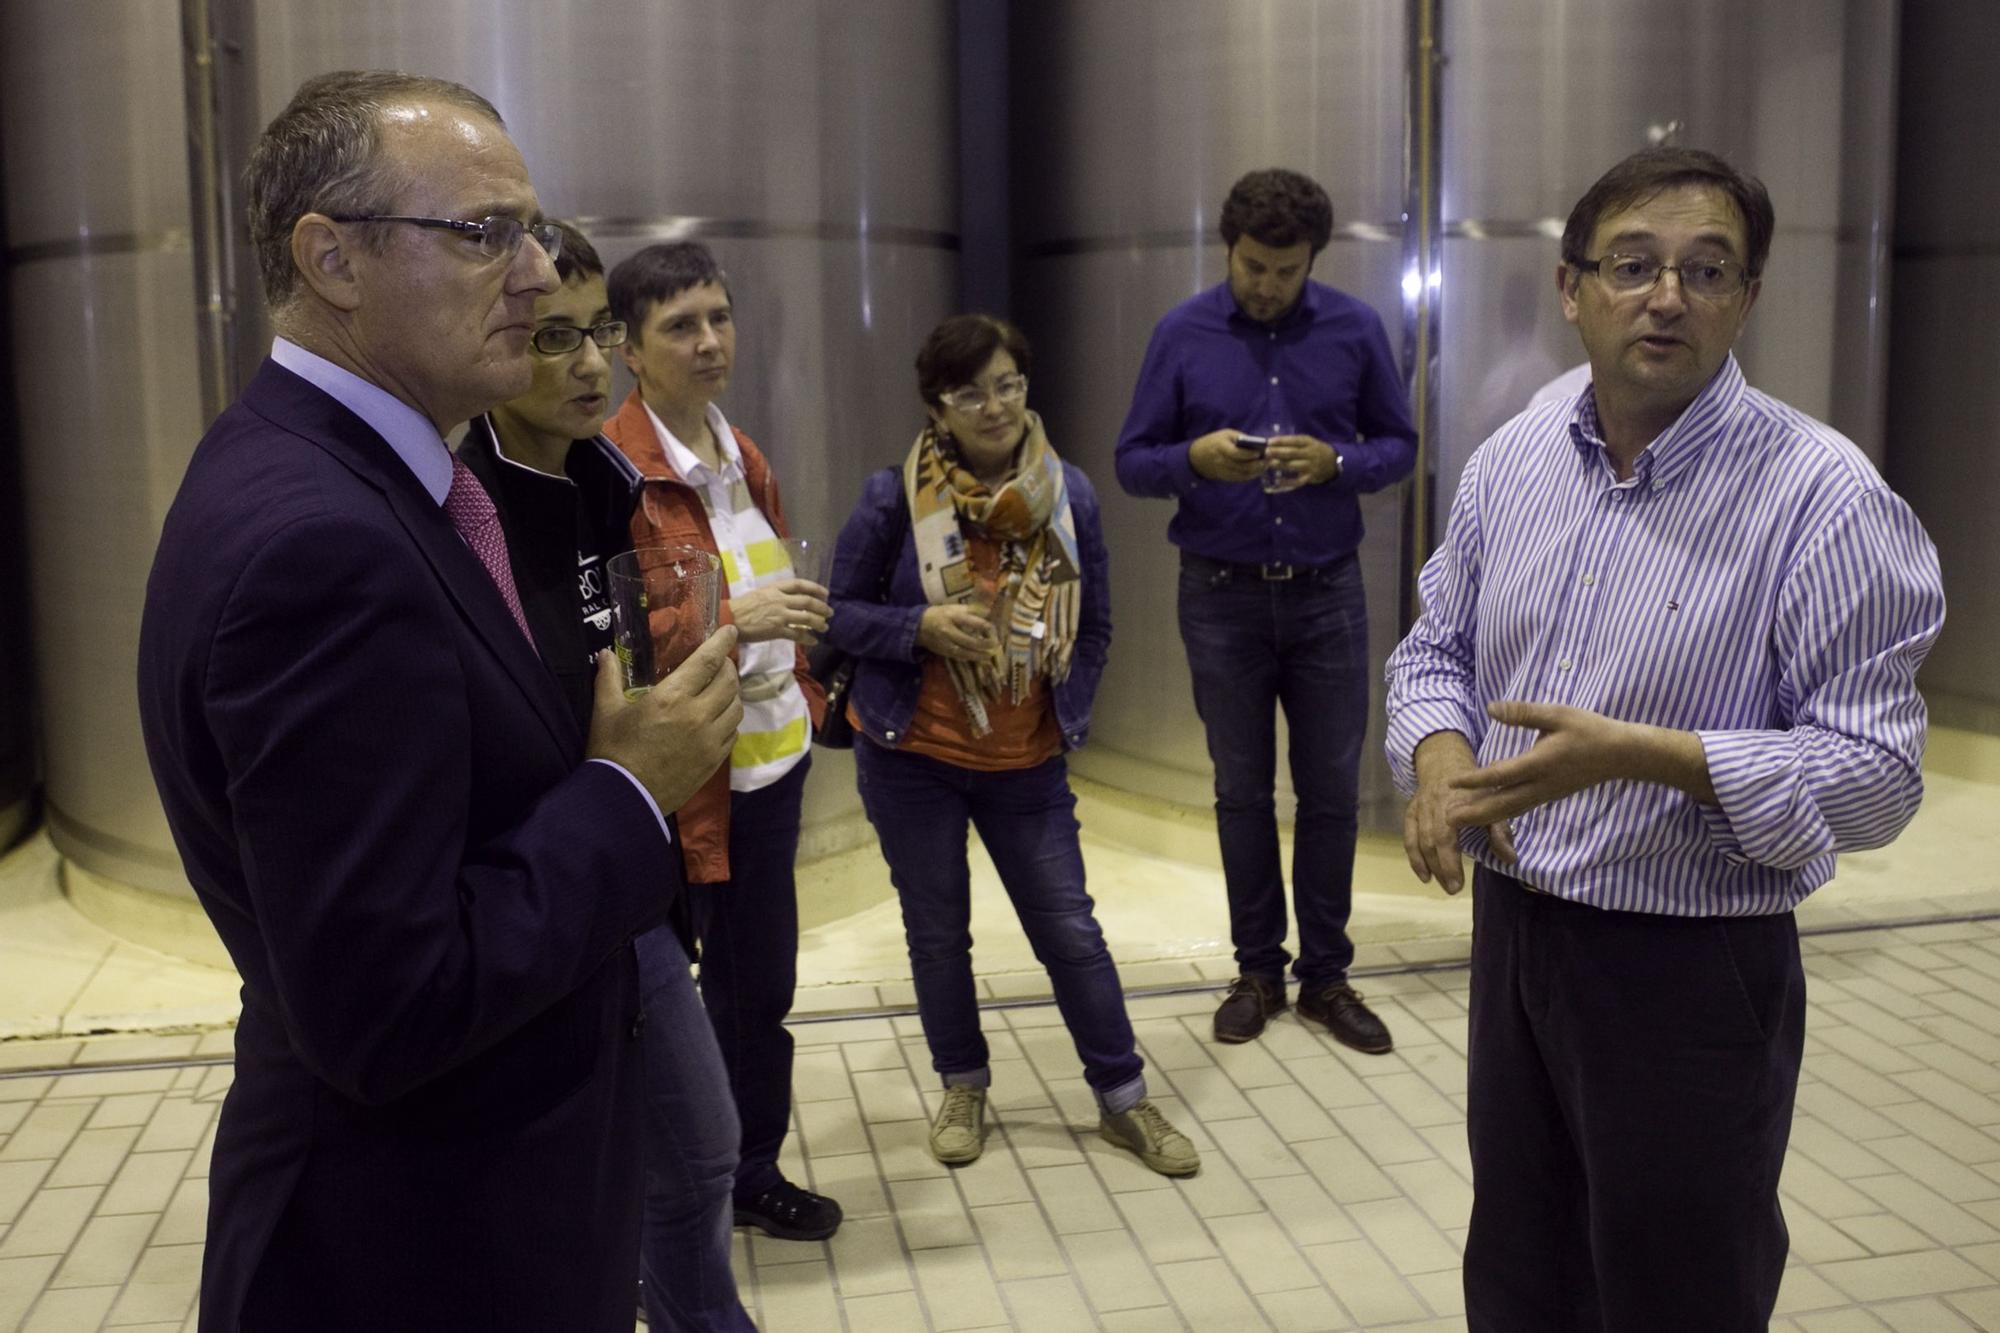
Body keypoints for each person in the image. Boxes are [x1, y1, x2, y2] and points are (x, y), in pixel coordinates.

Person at [135, 73, 741, 1333]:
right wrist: (629, 790)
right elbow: (389, 1004)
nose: (536, 272)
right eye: (481, 233)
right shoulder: (322, 546)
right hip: (418, 1253)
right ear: (331, 259)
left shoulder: (354, 470)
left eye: (530, 231)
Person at [1385, 147, 1946, 1331]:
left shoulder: (1821, 498)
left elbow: (1877, 776)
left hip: (1687, 968)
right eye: (1631, 264)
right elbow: (1437, 649)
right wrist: (1437, 761)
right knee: (1521, 1270)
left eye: (1706, 270)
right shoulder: (1517, 456)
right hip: (1517, 934)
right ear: (1570, 287)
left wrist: (1649, 756)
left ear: (1746, 298)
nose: (1665, 297)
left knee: (1676, 1289)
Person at [456, 221, 752, 1331]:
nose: (587, 365)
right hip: (532, 890)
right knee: (661, 1163)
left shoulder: (604, 483)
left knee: (696, 1152)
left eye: (596, 334)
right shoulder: (465, 510)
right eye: (552, 339)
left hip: (627, 871)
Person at [826, 313, 1199, 1177]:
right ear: (936, 406)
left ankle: (1123, 1098)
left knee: (1070, 931)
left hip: (1025, 761)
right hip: (912, 753)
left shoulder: (1071, 495)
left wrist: (1068, 711)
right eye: (970, 392)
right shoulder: (892, 496)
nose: (994, 406)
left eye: (1008, 384)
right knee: (936, 933)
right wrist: (919, 627)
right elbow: (835, 615)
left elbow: (1095, 626)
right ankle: (962, 1084)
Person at [1114, 167, 1417, 1051]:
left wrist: (1338, 463)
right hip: (1220, 594)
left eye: (1287, 270)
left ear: (1313, 258)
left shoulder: (1355, 329)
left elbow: (1399, 445)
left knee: (1330, 792)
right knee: (1240, 791)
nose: (1268, 285)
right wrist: (1193, 460)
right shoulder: (1182, 333)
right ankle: (1257, 970)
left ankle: (1326, 977)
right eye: (1253, 266)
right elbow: (1132, 461)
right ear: (1229, 248)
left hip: (1328, 592)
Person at [601, 240, 842, 1246]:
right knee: (650, 1000)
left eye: (719, 318)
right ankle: (657, 1197)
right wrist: (737, 617)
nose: (709, 342)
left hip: (768, 763)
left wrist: (809, 688)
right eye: (679, 326)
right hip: (679, 781)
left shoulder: (741, 454)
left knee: (757, 989)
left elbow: (778, 596)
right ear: (628, 349)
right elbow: (615, 637)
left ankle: (749, 1170)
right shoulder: (614, 469)